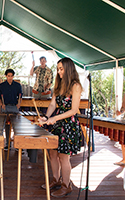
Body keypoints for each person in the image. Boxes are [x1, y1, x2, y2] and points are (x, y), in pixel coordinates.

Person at [39, 57, 82, 197]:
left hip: (68, 124)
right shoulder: (59, 85)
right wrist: (46, 117)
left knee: (64, 157)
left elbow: (73, 110)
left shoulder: (75, 86)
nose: (59, 72)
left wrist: (54, 118)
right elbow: (52, 104)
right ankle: (56, 180)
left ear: (69, 69)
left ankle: (66, 185)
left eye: (61, 69)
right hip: (57, 123)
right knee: (52, 153)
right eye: (58, 69)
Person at [0, 69, 23, 150]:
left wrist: (19, 104)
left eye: (11, 76)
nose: (10, 78)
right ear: (6, 76)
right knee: (7, 126)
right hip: (5, 107)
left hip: (15, 107)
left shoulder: (18, 85)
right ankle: (7, 144)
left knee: (17, 127)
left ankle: (18, 145)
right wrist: (1, 104)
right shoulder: (1, 85)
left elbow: (20, 97)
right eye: (8, 76)